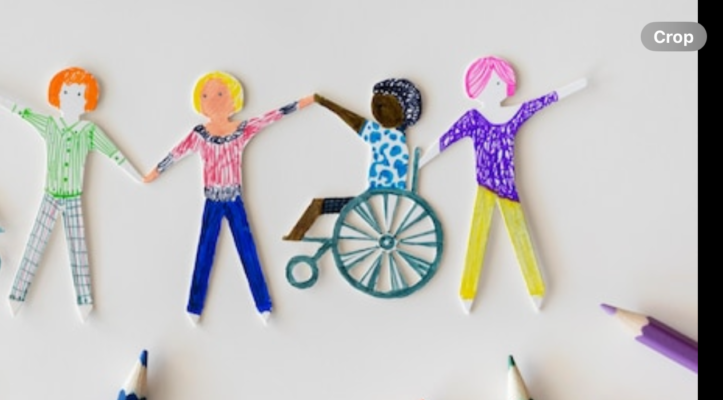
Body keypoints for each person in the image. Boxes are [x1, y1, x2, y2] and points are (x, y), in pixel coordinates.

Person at [417, 56, 587, 312]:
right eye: (490, 84)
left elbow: (544, 101)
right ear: (477, 88)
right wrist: (421, 162)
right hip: (485, 185)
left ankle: (536, 291)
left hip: (507, 186)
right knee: (478, 237)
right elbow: (445, 141)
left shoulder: (514, 114)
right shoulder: (473, 118)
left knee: (520, 237)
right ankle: (468, 294)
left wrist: (575, 86)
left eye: (499, 83)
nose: (496, 89)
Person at [144, 71, 313, 324]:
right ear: (200, 104)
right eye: (206, 96)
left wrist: (304, 102)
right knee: (205, 250)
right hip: (212, 201)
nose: (212, 101)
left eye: (220, 94)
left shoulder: (242, 130)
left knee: (247, 248)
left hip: (234, 199)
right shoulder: (199, 134)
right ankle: (194, 307)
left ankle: (263, 304)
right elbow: (175, 153)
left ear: (234, 100)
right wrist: (154, 173)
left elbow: (272, 116)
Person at [0, 67, 144, 318]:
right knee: (35, 242)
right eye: (66, 93)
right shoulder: (50, 125)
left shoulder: (89, 132)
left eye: (78, 94)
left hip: (74, 198)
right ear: (57, 95)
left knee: (78, 247)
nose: (71, 99)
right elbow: (20, 111)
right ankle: (16, 296)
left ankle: (84, 303)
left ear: (87, 100)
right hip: (51, 195)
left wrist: (139, 176)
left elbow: (114, 154)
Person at [283, 78, 424, 241]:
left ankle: (296, 235)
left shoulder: (383, 136)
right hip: (386, 199)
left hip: (374, 200)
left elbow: (354, 121)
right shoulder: (400, 139)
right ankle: (296, 235)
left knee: (319, 205)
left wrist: (324, 102)